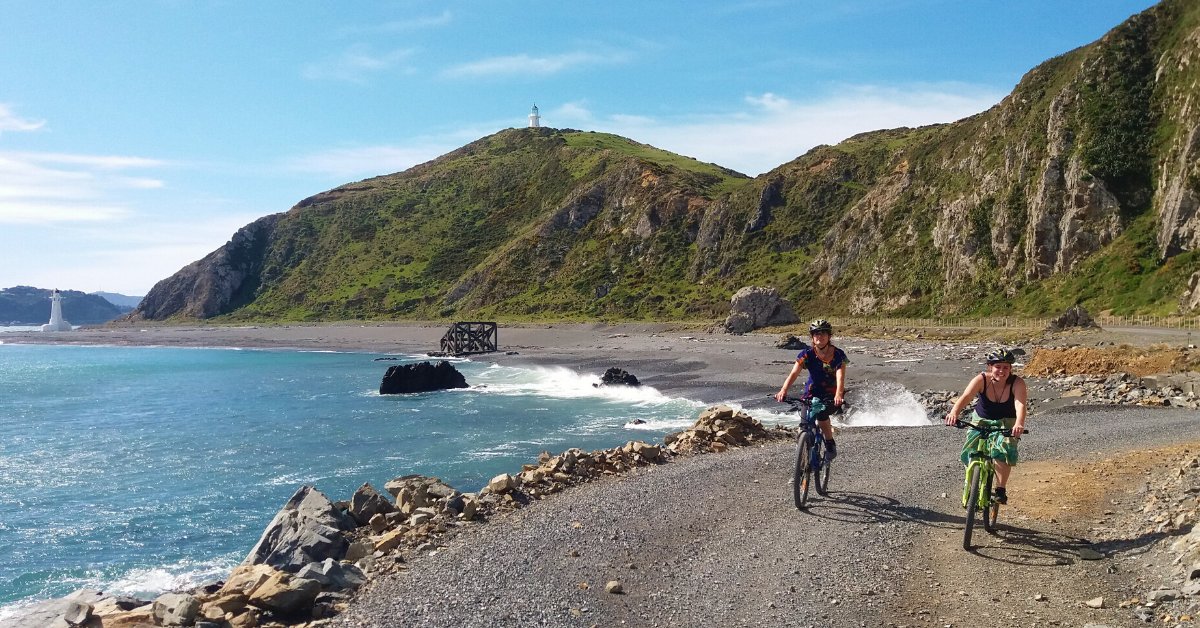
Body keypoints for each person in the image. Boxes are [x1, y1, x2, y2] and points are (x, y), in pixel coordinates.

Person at [942, 348, 1028, 504]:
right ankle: (973, 481)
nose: (1001, 371)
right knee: (970, 449)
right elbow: (966, 396)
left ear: (1010, 369)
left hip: (1006, 421)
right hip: (981, 419)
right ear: (990, 367)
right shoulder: (981, 379)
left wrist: (1019, 424)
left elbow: (1020, 405)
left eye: (1005, 367)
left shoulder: (1017, 383)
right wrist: (954, 413)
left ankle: (1000, 488)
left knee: (1003, 450)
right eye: (998, 367)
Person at [774, 319, 848, 459]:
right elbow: (794, 373)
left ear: (829, 336)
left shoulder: (838, 355)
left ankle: (830, 443)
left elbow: (840, 376)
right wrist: (783, 390)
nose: (819, 337)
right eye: (816, 334)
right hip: (811, 392)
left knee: (821, 415)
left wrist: (838, 394)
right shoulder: (806, 354)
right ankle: (801, 466)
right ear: (812, 337)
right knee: (804, 426)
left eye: (823, 334)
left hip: (830, 394)